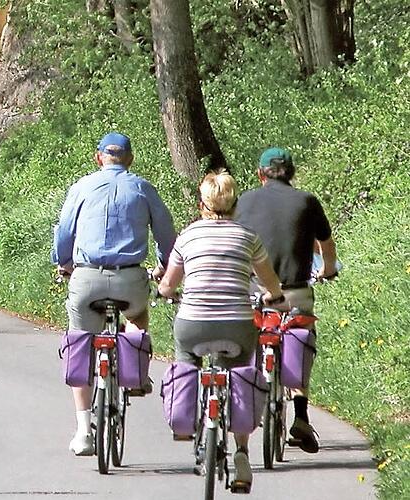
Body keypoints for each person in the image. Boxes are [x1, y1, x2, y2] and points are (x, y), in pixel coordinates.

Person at [52, 132, 177, 456]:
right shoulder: (143, 188)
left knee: (81, 341)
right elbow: (166, 233)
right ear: (130, 159)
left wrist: (64, 263)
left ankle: (83, 431)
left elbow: (64, 232)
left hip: (87, 278)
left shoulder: (82, 187)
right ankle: (135, 371)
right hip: (129, 278)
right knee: (137, 314)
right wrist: (164, 265)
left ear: (99, 158)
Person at [158, 171, 284, 491]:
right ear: (235, 204)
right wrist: (274, 296)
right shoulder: (248, 236)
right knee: (240, 372)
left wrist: (168, 293)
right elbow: (269, 281)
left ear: (202, 204)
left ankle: (184, 417)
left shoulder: (188, 236)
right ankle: (241, 452)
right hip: (236, 323)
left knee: (186, 356)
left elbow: (168, 285)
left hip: (192, 323)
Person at [235, 147, 337, 454]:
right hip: (294, 293)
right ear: (292, 173)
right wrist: (328, 270)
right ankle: (301, 415)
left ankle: (246, 401)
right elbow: (326, 245)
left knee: (248, 339)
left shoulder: (244, 201)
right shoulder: (307, 201)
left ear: (260, 174)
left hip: (255, 292)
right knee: (301, 340)